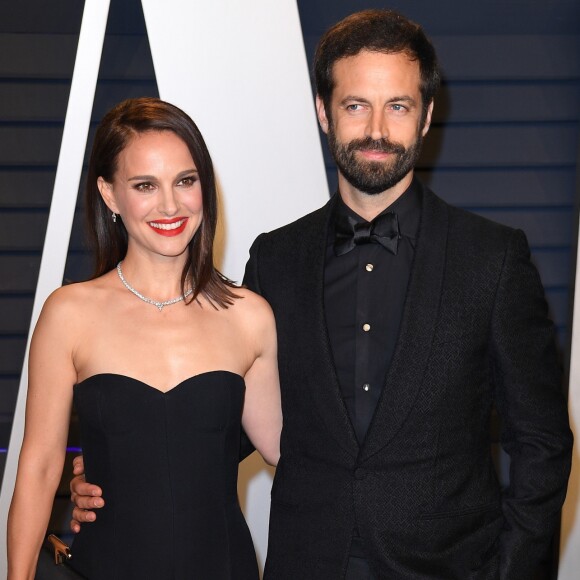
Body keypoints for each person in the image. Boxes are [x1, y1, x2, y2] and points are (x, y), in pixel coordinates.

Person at [70, 10, 573, 580]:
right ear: (323, 113)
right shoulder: (277, 260)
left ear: (427, 115)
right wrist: (114, 466)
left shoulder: (493, 259)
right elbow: (229, 418)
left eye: (399, 106)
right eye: (356, 105)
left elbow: (542, 443)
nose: (377, 129)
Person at [7, 97, 282, 580]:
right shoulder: (69, 313)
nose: (170, 205)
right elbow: (38, 467)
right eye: (145, 186)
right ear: (110, 195)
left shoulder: (248, 316)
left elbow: (291, 451)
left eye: (185, 181)